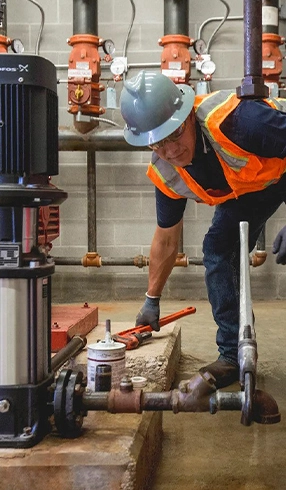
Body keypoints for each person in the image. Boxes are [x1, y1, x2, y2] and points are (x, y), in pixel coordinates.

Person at [119, 70, 286, 389]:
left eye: (175, 134)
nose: (170, 151)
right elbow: (167, 238)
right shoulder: (166, 172)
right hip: (254, 186)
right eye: (157, 144)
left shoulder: (240, 121)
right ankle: (232, 355)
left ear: (188, 117)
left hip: (281, 165)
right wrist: (151, 298)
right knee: (219, 249)